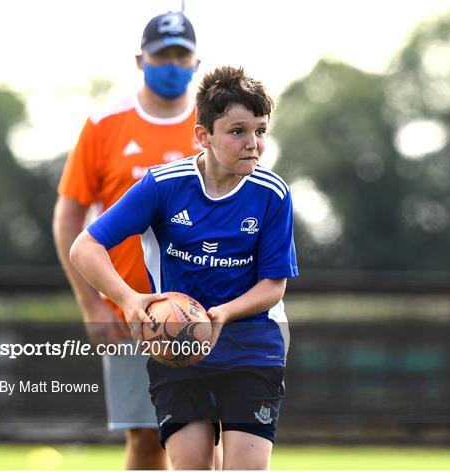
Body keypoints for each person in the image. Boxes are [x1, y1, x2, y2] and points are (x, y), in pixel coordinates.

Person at [70, 66, 298, 470]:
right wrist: (129, 299)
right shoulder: (163, 185)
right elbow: (85, 247)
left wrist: (221, 315)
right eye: (238, 131)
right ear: (203, 135)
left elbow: (272, 286)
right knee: (191, 465)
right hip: (180, 347)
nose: (253, 144)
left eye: (261, 131)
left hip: (252, 345)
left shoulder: (272, 193)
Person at [53, 11, 200, 470]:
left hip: (206, 307)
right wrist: (91, 303)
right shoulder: (105, 124)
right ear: (141, 59)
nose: (172, 64)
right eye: (162, 55)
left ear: (197, 62)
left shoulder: (216, 125)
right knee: (146, 439)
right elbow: (69, 215)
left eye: (182, 55)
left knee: (206, 437)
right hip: (127, 311)